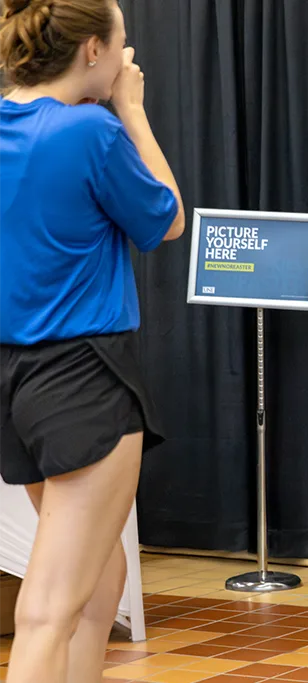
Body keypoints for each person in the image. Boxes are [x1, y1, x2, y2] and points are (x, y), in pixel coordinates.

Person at [0, 1, 185, 681]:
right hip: (82, 377)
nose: (127, 59)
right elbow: (168, 219)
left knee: (101, 567)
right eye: (123, 46)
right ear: (91, 53)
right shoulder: (89, 132)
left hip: (14, 386)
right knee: (47, 608)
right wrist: (131, 111)